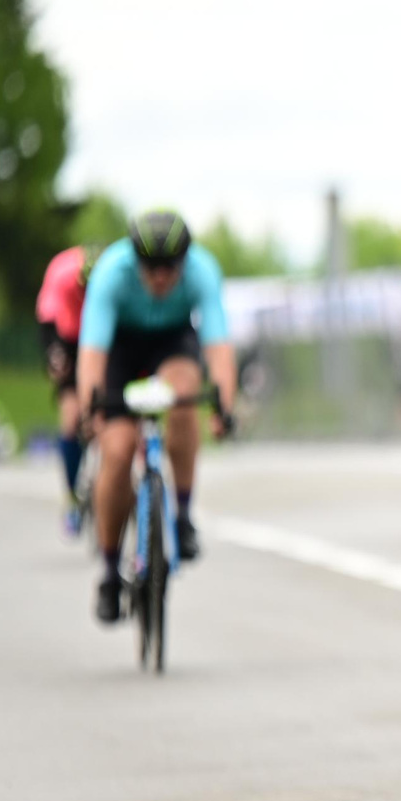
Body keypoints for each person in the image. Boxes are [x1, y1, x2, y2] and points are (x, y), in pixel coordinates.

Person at [76, 211, 239, 624]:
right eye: (151, 267)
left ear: (185, 261)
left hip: (172, 342)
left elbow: (219, 346)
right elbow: (92, 354)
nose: (162, 277)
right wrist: (90, 410)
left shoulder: (202, 271)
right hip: (120, 346)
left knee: (183, 398)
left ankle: (182, 516)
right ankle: (109, 571)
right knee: (116, 451)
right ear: (136, 261)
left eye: (170, 267)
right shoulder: (111, 273)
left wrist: (224, 407)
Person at [36, 242, 97, 531]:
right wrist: (54, 356)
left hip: (108, 338)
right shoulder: (62, 273)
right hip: (70, 340)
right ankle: (72, 494)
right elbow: (46, 322)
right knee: (72, 418)